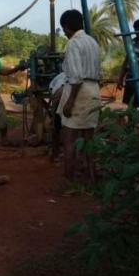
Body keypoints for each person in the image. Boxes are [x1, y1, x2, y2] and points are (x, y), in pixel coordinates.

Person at [56, 10, 101, 182]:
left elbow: (76, 77)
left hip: (79, 92)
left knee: (69, 140)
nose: (65, 33)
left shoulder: (73, 43)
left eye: (64, 29)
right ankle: (91, 177)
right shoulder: (92, 42)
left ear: (67, 27)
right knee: (89, 139)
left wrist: (69, 102)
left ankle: (69, 181)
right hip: (94, 90)